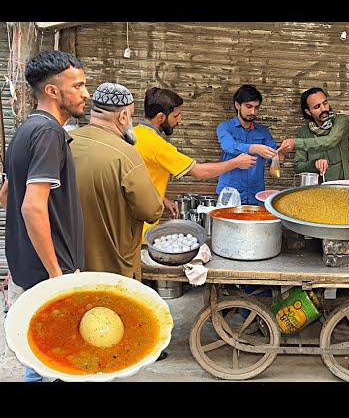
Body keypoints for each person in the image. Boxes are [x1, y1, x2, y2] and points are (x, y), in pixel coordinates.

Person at [0, 50, 89, 382]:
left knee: (42, 357)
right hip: (51, 270)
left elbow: (7, 196)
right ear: (53, 91)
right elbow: (31, 206)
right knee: (52, 361)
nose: (85, 94)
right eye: (78, 86)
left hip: (29, 266)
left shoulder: (25, 130)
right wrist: (57, 273)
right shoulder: (50, 133)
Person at [70, 83, 164, 280]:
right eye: (130, 115)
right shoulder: (126, 155)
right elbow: (152, 211)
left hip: (69, 266)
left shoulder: (64, 142)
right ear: (122, 116)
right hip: (114, 270)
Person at [134, 87, 256, 236]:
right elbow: (199, 172)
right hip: (141, 228)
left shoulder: (134, 134)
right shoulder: (157, 146)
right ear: (160, 117)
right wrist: (235, 162)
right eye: (176, 115)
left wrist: (162, 199)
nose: (180, 120)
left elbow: (139, 180)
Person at [216, 84, 290, 205]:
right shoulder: (225, 127)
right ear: (237, 105)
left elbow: (273, 157)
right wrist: (253, 148)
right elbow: (229, 146)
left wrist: (279, 156)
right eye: (248, 106)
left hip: (255, 195)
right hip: (229, 193)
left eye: (256, 108)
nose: (253, 112)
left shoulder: (263, 131)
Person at [282, 87, 349, 182]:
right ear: (308, 111)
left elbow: (330, 141)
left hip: (342, 188)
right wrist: (314, 164)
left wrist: (296, 143)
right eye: (317, 107)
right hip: (315, 190)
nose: (323, 109)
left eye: (325, 103)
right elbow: (298, 167)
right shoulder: (304, 132)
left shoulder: (341, 121)